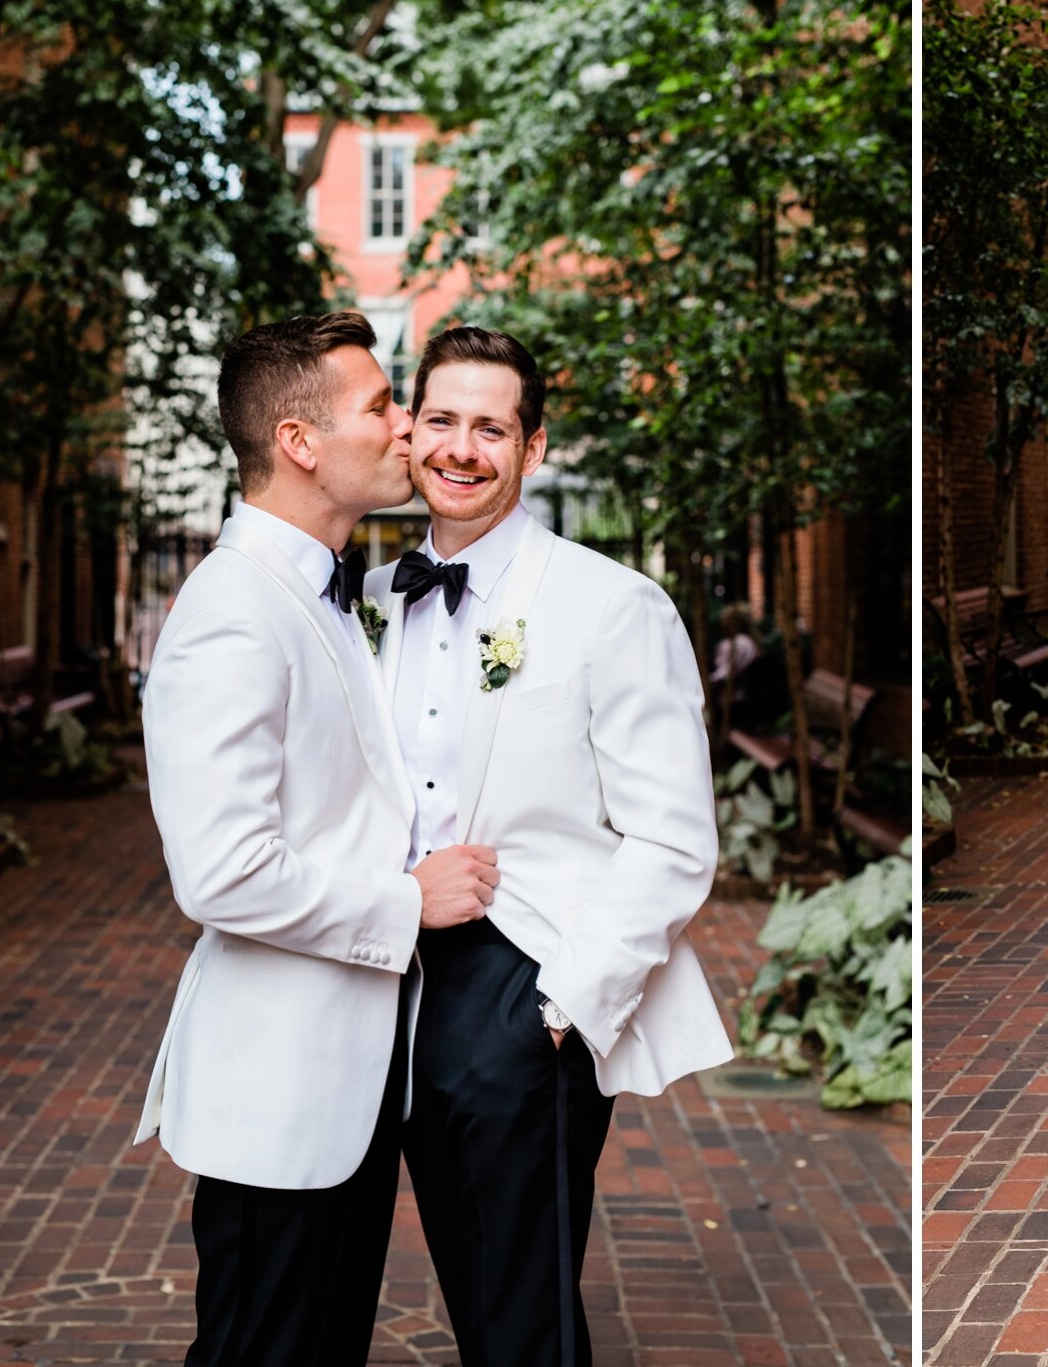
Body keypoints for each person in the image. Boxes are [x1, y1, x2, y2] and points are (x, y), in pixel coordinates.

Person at [133, 311, 500, 1366]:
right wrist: (407, 900)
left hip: (345, 1088)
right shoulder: (233, 611)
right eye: (380, 405)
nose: (405, 429)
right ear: (298, 442)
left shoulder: (326, 593)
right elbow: (220, 871)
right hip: (277, 1094)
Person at [367, 326, 733, 1366]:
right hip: (388, 966)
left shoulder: (610, 605)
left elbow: (672, 837)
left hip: (523, 977)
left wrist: (560, 1008)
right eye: (442, 419)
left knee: (519, 1310)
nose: (461, 448)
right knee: (475, 1290)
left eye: (492, 427)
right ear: (409, 431)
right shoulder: (370, 601)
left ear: (531, 449)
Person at [708, 602, 760, 717]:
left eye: (725, 619)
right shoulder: (748, 641)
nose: (722, 622)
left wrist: (705, 682)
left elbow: (725, 674)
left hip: (732, 696)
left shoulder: (737, 644)